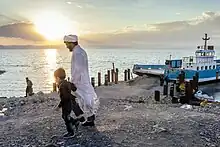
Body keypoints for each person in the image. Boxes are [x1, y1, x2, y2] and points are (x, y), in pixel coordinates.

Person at [63, 34, 99, 126]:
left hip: (79, 81)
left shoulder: (77, 53)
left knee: (75, 99)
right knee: (85, 98)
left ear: (71, 43)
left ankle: (81, 118)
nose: (66, 46)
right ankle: (90, 118)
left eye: (67, 44)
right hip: (82, 80)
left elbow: (78, 69)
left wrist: (73, 82)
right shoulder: (80, 51)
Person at [54, 67, 85, 138]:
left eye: (55, 78)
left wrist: (59, 106)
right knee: (65, 116)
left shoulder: (62, 86)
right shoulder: (68, 83)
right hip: (71, 101)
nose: (55, 80)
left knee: (66, 117)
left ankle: (71, 132)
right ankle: (75, 121)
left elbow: (64, 98)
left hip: (67, 104)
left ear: (58, 78)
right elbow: (74, 88)